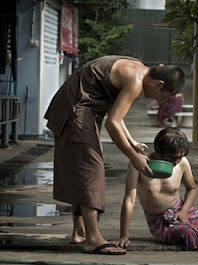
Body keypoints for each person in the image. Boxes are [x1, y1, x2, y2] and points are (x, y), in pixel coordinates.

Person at [43, 56, 185, 255]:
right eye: (162, 96)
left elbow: (115, 114)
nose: (156, 100)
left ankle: (80, 231)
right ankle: (92, 239)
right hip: (76, 109)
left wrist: (131, 141)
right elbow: (112, 124)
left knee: (82, 167)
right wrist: (134, 157)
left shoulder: (137, 68)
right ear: (159, 84)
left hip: (79, 106)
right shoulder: (135, 80)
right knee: (90, 169)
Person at [114, 127, 198, 251]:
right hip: (160, 221)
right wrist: (124, 236)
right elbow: (129, 200)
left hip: (183, 211)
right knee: (186, 233)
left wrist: (184, 211)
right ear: (159, 150)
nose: (177, 161)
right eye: (174, 158)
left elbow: (192, 189)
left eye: (180, 157)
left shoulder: (182, 162)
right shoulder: (138, 164)